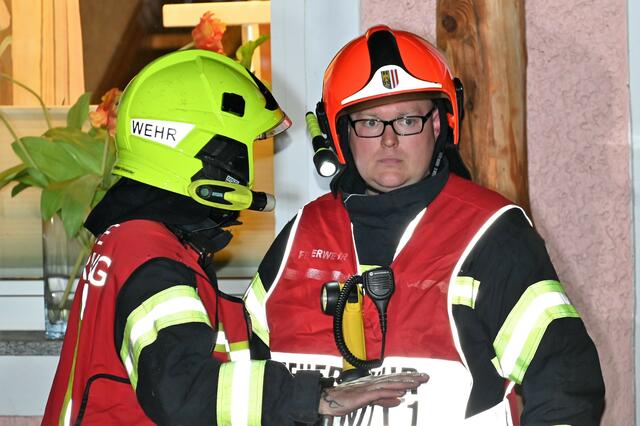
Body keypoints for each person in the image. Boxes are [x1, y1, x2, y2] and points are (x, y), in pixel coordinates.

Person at [42, 49, 428, 425]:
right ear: (209, 155)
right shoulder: (150, 255)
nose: (246, 174)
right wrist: (315, 398)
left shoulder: (135, 242)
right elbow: (184, 388)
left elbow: (220, 350)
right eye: (242, 154)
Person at [244, 25, 605, 425]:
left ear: (438, 125)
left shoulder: (491, 234)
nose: (389, 140)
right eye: (369, 122)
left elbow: (566, 384)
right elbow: (241, 378)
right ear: (342, 132)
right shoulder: (300, 235)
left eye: (407, 120)